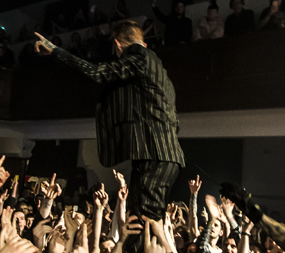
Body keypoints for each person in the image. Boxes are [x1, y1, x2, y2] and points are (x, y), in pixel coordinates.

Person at [34, 21, 185, 222]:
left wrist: (55, 51)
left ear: (118, 45)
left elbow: (96, 73)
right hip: (158, 153)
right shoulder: (156, 67)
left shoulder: (140, 56)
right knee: (137, 222)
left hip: (155, 154)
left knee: (145, 223)